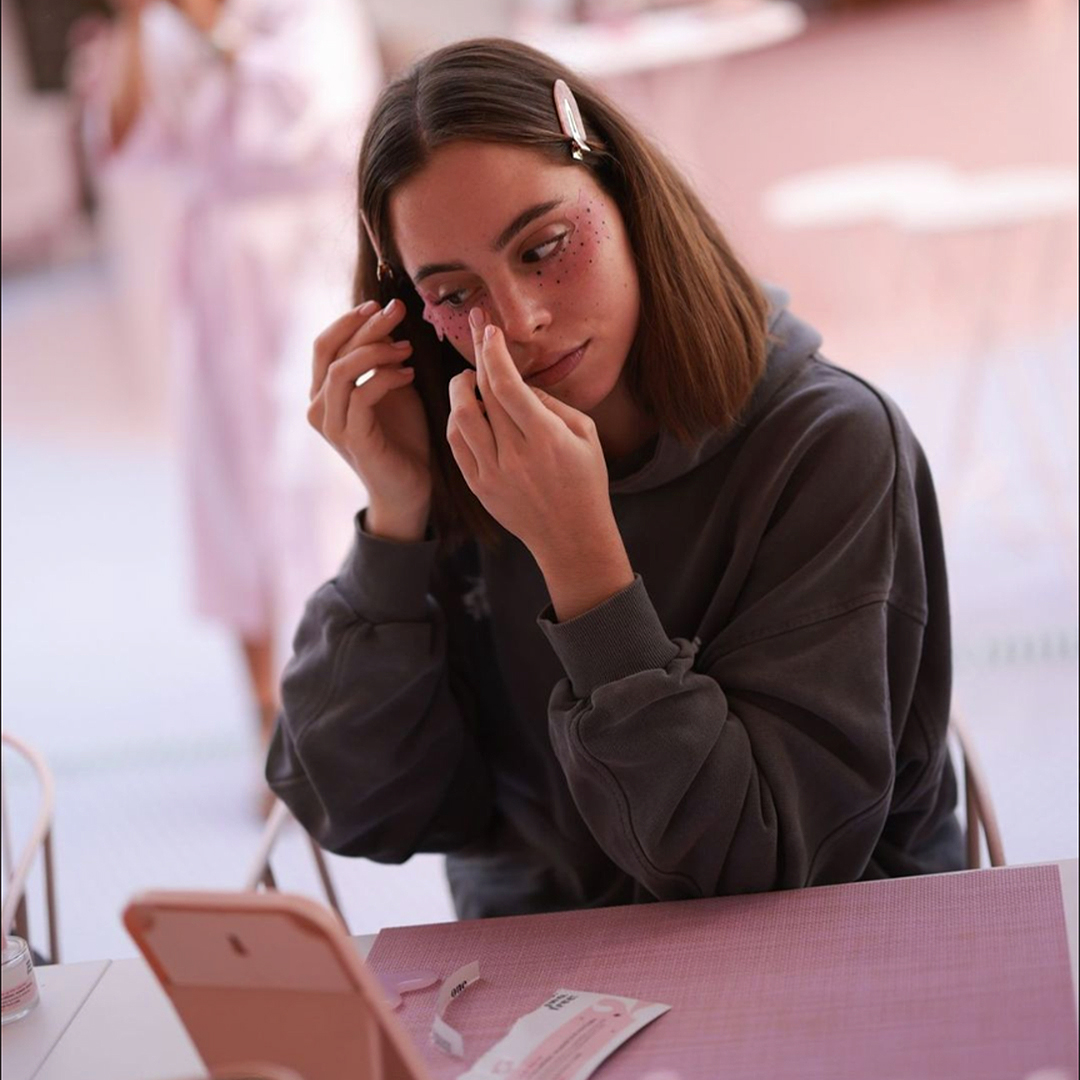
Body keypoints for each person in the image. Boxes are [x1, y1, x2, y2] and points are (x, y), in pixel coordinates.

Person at [267, 38, 964, 918]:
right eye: (453, 293)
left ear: (628, 202)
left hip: (821, 964)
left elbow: (764, 870)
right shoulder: (467, 456)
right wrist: (396, 526)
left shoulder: (829, 444)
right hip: (544, 983)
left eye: (546, 245)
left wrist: (582, 563)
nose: (518, 321)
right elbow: (366, 811)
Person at [75, 0, 381, 771]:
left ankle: (348, 699)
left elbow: (315, 114)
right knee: (226, 484)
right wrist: (138, 26)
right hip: (217, 262)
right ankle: (269, 716)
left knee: (311, 475)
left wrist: (206, 22)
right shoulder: (158, 17)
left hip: (312, 245)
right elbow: (121, 142)